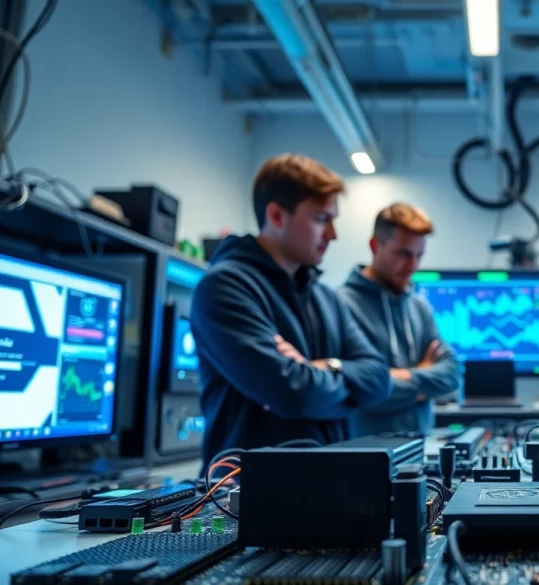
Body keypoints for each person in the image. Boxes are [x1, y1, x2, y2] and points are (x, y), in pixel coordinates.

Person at [191, 154, 390, 464]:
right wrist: (345, 387)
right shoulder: (225, 287)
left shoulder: (325, 297)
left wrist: (323, 368)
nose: (333, 234)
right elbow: (293, 394)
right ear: (276, 215)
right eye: (321, 219)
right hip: (251, 488)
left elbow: (379, 378)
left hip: (332, 478)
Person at [338, 203, 460, 437]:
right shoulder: (341, 305)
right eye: (403, 254)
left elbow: (451, 373)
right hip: (364, 452)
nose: (413, 266)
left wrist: (400, 377)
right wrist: (424, 381)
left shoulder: (419, 307)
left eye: (419, 255)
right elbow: (359, 390)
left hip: (418, 451)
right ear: (375, 246)